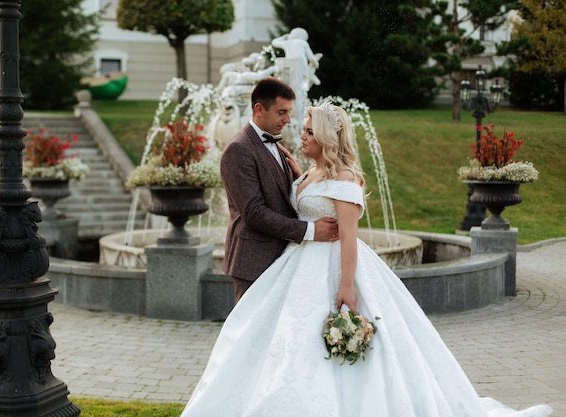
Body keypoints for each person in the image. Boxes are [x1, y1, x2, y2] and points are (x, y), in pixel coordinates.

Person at [180, 102, 553, 417]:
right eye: (303, 127)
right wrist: (300, 188)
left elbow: (349, 238)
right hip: (295, 264)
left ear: (326, 136)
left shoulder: (344, 178)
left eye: (310, 130)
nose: (302, 134)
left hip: (332, 267)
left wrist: (346, 287)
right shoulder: (307, 171)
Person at [220, 77, 338, 302]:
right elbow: (254, 213)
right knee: (251, 333)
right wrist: (310, 230)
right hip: (254, 261)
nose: (288, 119)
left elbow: (280, 198)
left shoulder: (275, 145)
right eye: (281, 112)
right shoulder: (238, 150)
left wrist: (299, 178)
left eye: (289, 112)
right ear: (259, 109)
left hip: (283, 258)